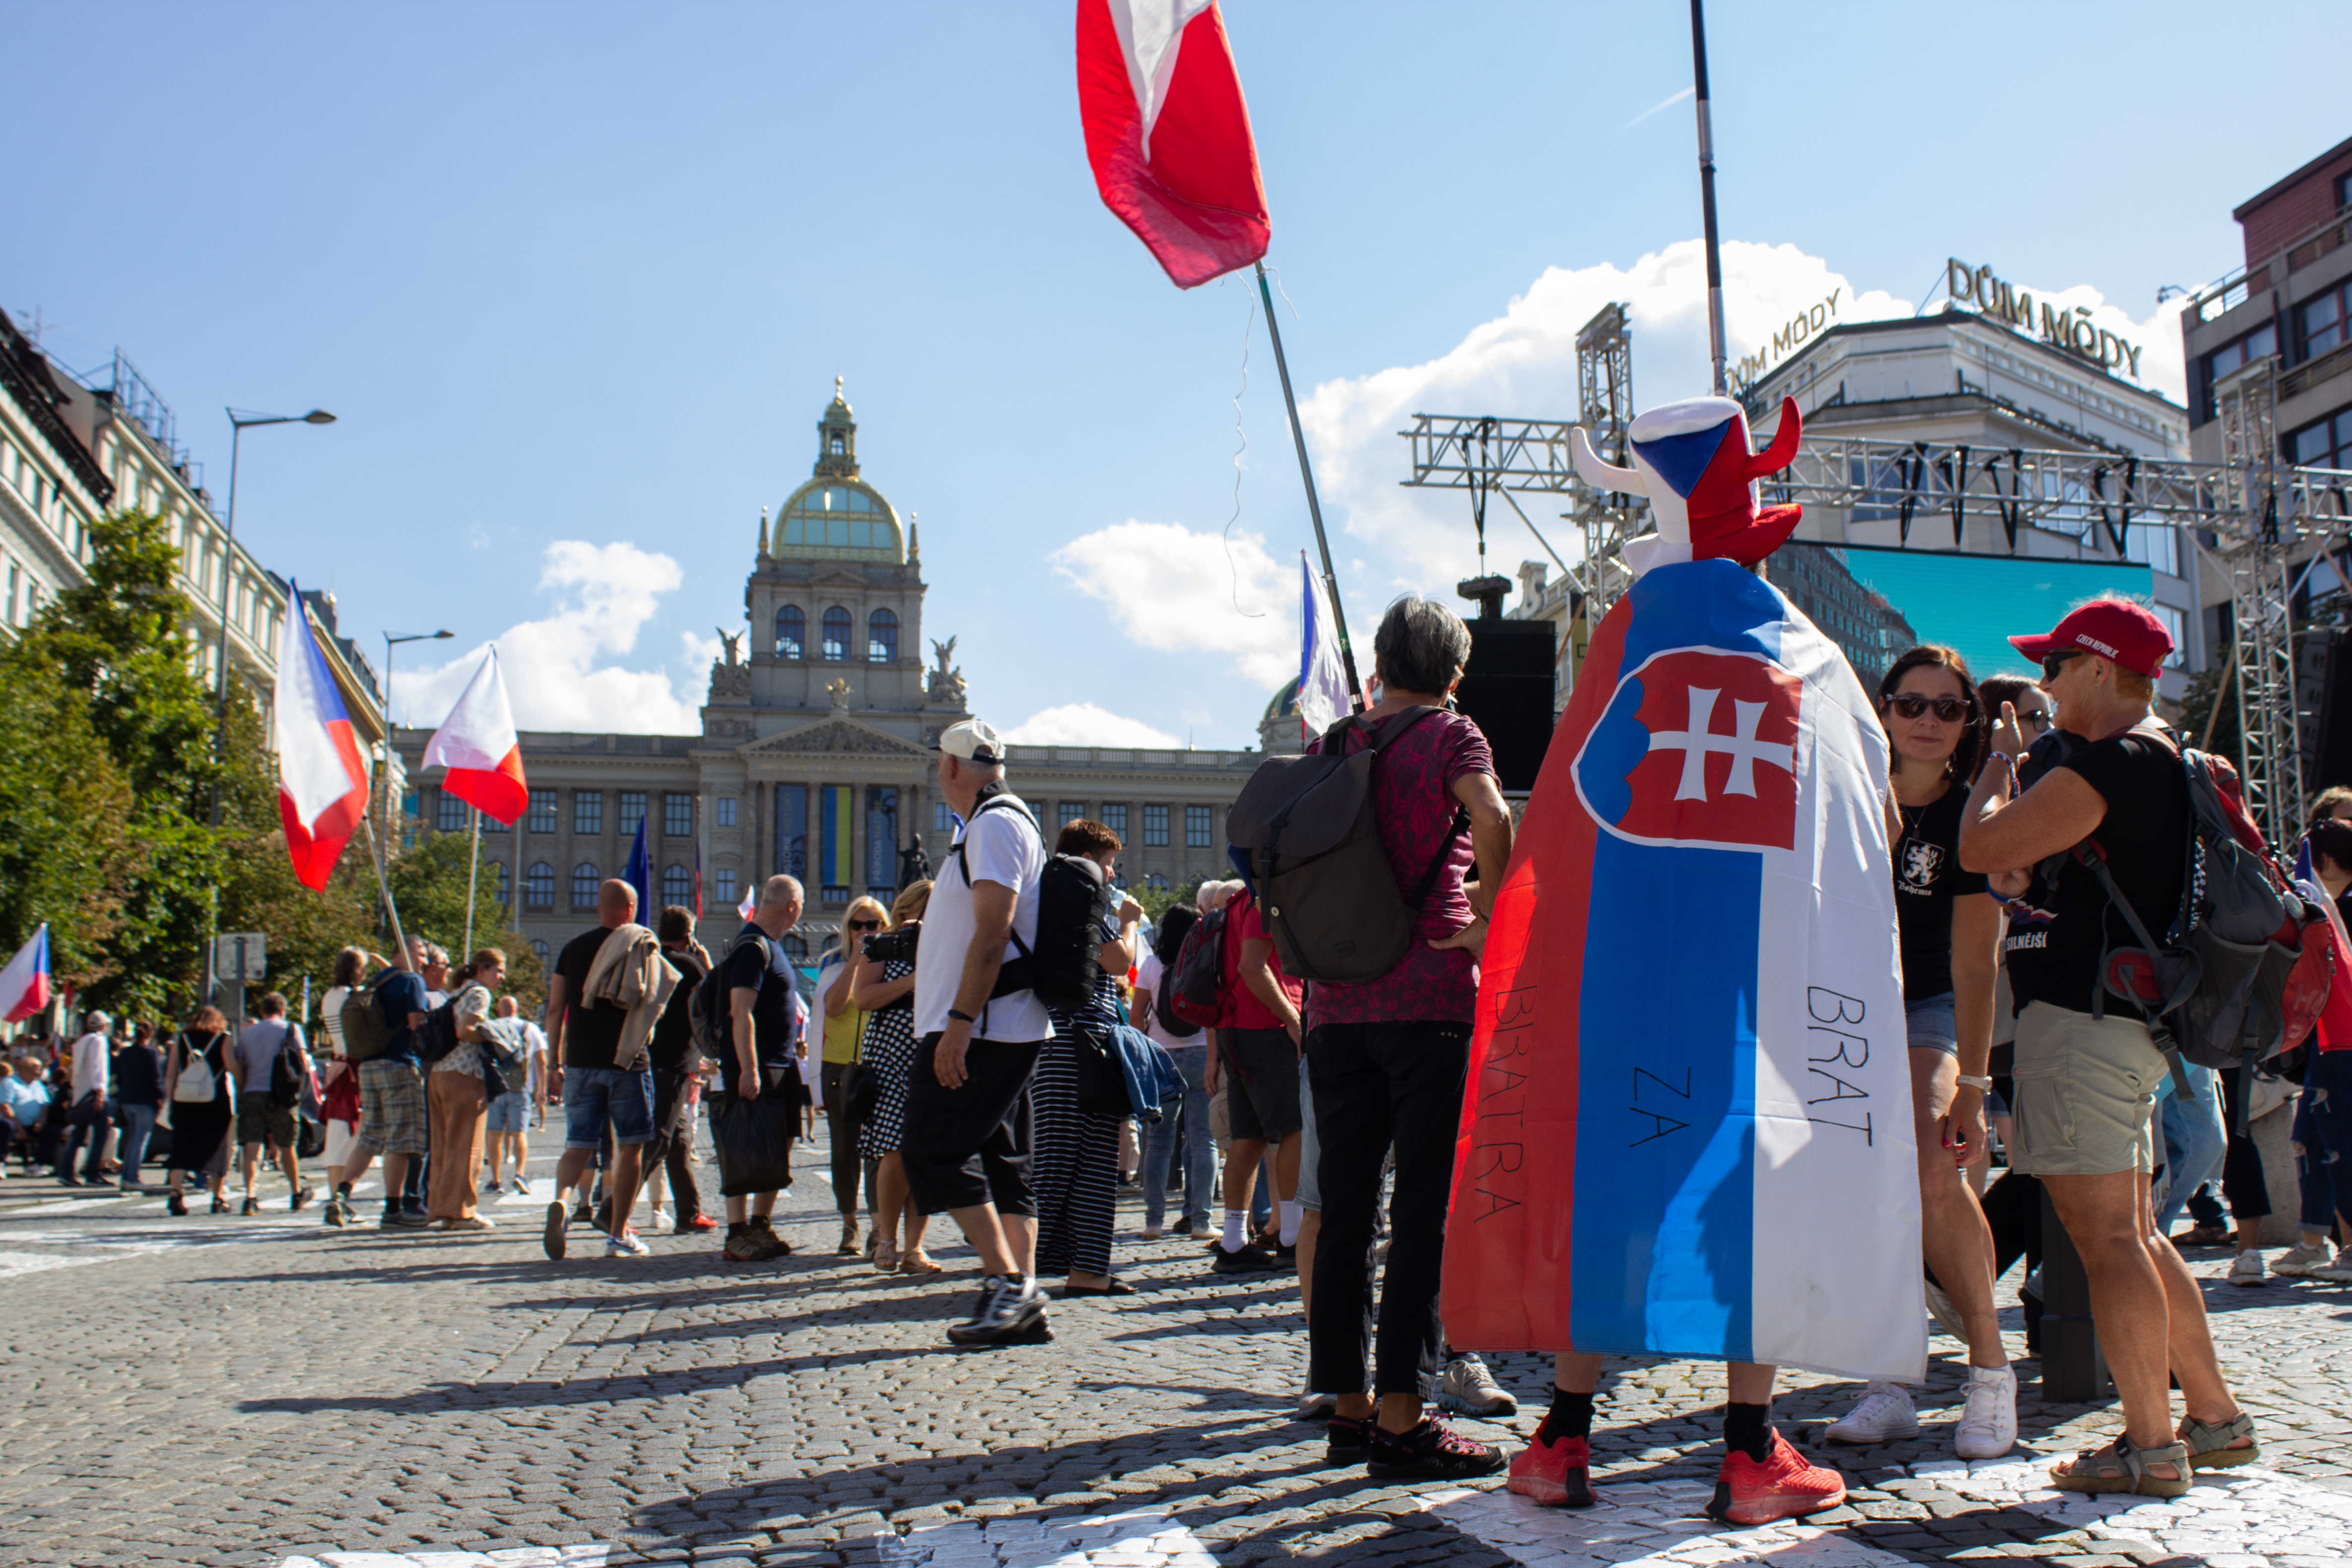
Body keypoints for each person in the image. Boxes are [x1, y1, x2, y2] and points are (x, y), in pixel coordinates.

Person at [1957, 595, 2256, 1496]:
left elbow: (1981, 847)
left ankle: (2149, 1446)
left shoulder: (2116, 761)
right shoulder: (2165, 757)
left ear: (2094, 669)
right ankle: (2212, 1418)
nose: (2043, 687)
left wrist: (1998, 762)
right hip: (2127, 1025)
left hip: (2083, 1025)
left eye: (2054, 668)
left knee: (2110, 1243)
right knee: (2137, 1235)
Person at [1305, 596, 1516, 1480]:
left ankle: (1345, 1407)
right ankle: (1403, 1415)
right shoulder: (1453, 737)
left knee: (1345, 1209)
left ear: (1380, 667)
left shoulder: (1335, 743)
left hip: (1332, 1001)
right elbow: (1495, 818)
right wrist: (1486, 922)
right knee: (1419, 1212)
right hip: (1427, 992)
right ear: (1456, 674)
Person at [1825, 646, 2016, 1457]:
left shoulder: (1970, 814)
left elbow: (1977, 964)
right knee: (1863, 1190)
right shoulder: (1840, 798)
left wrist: (1973, 1086)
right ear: (1884, 709)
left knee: (1936, 1167)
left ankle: (1989, 1371)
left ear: (1967, 720)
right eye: (1913, 704)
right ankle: (1890, 1380)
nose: (1929, 721)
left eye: (1948, 707)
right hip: (1836, 1004)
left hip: (1926, 1006)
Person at [901, 718, 1056, 1347]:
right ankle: (1016, 1296)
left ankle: (1009, 1285)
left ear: (950, 768)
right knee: (999, 1158)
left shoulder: (993, 826)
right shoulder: (997, 821)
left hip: (984, 1024)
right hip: (996, 1021)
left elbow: (993, 932)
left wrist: (958, 1025)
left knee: (931, 1148)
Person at [1032, 818, 1145, 1297]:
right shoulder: (1079, 900)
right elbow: (1122, 963)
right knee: (1066, 1158)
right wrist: (1131, 921)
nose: (1113, 875)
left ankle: (1082, 1266)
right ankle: (1023, 1265)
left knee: (1088, 1158)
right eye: (1109, 864)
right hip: (1077, 1042)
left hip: (1068, 1041)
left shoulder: (1050, 899)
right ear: (1088, 860)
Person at [546, 879, 673, 1258]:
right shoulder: (642, 946)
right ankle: (618, 1233)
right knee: (630, 1147)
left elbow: (555, 1009)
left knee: (578, 1144)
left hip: (581, 1062)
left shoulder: (572, 949)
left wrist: (554, 1062)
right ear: (631, 909)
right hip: (628, 1062)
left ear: (597, 907)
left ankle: (562, 1201)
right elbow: (653, 1001)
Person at [1207, 878, 1305, 1274]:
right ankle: (1292, 1238)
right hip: (1267, 1027)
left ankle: (1234, 1240)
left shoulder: (1236, 901)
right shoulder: (1266, 897)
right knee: (1294, 1130)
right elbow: (1253, 966)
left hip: (1236, 1026)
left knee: (1248, 1137)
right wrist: (1293, 1020)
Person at [2274, 816, 2352, 1282]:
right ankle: (2311, 1241)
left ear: (2321, 859)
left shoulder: (2337, 910)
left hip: (2341, 1041)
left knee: (2339, 1144)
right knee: (2315, 1139)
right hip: (2331, 1043)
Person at [852, 878, 941, 1275]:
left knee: (922, 1149)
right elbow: (863, 998)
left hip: (932, 1049)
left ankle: (914, 1248)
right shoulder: (881, 945)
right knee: (894, 1147)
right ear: (910, 909)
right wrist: (911, 981)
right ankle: (886, 1239)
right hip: (891, 1053)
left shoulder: (944, 946)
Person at [718, 875, 807, 1261]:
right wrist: (748, 1068)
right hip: (758, 1063)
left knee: (779, 1142)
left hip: (781, 1061)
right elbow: (741, 1012)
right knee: (743, 1145)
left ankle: (760, 1223)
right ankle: (736, 1232)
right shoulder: (753, 946)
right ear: (792, 906)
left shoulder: (771, 945)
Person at [333, 937, 433, 1230]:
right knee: (401, 1140)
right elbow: (417, 1025)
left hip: (369, 1065)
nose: (425, 960)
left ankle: (341, 1195)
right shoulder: (412, 981)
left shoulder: (378, 981)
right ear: (402, 952)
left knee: (371, 1137)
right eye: (421, 953)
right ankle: (393, 1208)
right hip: (400, 1064)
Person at [1135, 902, 1213, 1243]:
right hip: (1200, 1053)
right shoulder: (1204, 961)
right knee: (1202, 1142)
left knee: (1158, 1143)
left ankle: (1153, 1222)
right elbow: (1213, 1014)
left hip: (1159, 1055)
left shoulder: (1150, 965)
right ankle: (1200, 1220)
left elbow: (1136, 1017)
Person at [646, 904, 717, 1235]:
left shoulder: (650, 960)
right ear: (689, 936)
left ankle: (689, 1212)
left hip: (648, 1059)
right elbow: (716, 1002)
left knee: (679, 1141)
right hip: (672, 1064)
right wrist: (706, 965)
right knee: (660, 1139)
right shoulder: (687, 965)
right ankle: (612, 1209)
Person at [819, 900, 881, 1254]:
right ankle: (849, 1224)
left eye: (872, 924)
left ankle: (878, 1227)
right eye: (857, 925)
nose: (864, 931)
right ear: (847, 928)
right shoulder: (832, 962)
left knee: (877, 1148)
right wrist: (857, 959)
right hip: (839, 1065)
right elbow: (834, 1006)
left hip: (877, 1063)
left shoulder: (892, 959)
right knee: (844, 1150)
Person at [425, 950, 503, 1231]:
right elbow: (465, 1030)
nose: (501, 977)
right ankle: (462, 1212)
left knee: (443, 1146)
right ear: (482, 970)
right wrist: (494, 1033)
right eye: (498, 970)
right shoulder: (480, 994)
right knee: (468, 1145)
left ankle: (441, 1209)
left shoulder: (456, 993)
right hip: (465, 1074)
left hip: (440, 1073)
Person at [233, 993, 315, 1215]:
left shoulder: (247, 1033)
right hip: (282, 1095)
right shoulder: (291, 1029)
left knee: (251, 1147)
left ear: (262, 1011)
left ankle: (250, 1197)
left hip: (253, 1092)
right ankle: (296, 1192)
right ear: (283, 1010)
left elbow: (240, 1064)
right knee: (288, 1146)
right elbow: (303, 1063)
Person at [163, 1007, 237, 1216]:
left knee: (182, 1146)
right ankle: (218, 1198)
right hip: (215, 1100)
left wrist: (169, 1099)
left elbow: (171, 1073)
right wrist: (241, 1086)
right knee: (218, 1146)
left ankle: (176, 1193)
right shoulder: (223, 1038)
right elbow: (231, 1067)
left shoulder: (182, 1038)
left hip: (184, 1099)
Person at [484, 996, 545, 1196]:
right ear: (517, 1008)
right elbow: (541, 1060)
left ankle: (496, 1179)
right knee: (520, 1133)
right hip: (521, 1088)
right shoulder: (531, 1029)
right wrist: (542, 1089)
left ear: (499, 1010)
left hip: (495, 1088)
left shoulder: (491, 1027)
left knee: (494, 1135)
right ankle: (520, 1174)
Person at [56, 1010, 111, 1187]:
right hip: (93, 1094)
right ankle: (93, 1173)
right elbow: (99, 1065)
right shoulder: (99, 1040)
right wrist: (100, 1089)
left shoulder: (81, 1041)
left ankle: (67, 1171)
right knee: (101, 1134)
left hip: (81, 1094)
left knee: (79, 1134)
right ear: (103, 1026)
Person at [114, 1022, 165, 1192]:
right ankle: (133, 1177)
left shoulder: (126, 1052)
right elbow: (155, 1078)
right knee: (141, 1140)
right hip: (145, 1100)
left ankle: (126, 1178)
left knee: (133, 1139)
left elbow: (120, 1075)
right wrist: (160, 1098)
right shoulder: (152, 1052)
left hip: (127, 1098)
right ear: (150, 1033)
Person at [0, 1052, 51, 1173]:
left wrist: (42, 1121)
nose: (39, 1073)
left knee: (52, 1130)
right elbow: (5, 1106)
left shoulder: (38, 1085)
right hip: (14, 1123)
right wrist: (19, 1128)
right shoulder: (10, 1083)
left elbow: (45, 1105)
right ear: (25, 1070)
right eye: (36, 1069)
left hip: (33, 1125)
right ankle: (1, 1163)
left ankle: (36, 1165)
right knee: (6, 1126)